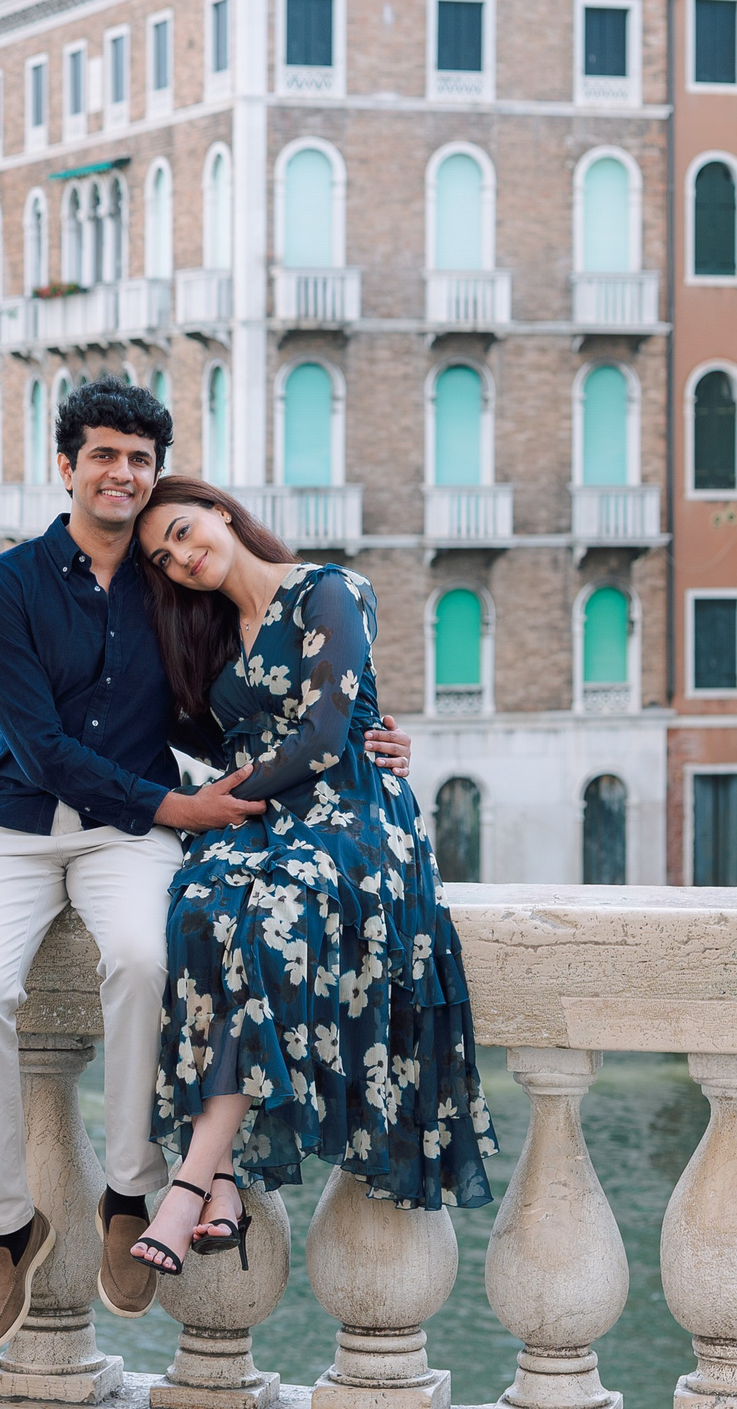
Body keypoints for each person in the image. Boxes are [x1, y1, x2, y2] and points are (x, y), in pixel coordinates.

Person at [0, 381, 413, 1347]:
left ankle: (131, 1185)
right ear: (66, 465)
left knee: (146, 959)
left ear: (161, 475)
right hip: (18, 822)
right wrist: (180, 807)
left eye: (141, 460)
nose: (123, 474)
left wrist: (372, 735)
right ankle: (6, 1223)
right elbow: (36, 744)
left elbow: (228, 716)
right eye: (104, 455)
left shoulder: (175, 591)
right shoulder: (4, 588)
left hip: (130, 837)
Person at [125, 476, 495, 1277]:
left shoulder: (328, 589)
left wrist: (218, 801)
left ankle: (191, 1179)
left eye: (186, 532)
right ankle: (220, 1178)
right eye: (165, 556)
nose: (184, 558)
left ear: (222, 514)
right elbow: (188, 729)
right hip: (260, 817)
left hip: (350, 815)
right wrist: (200, 801)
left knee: (271, 925)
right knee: (194, 912)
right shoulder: (215, 635)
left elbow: (328, 733)